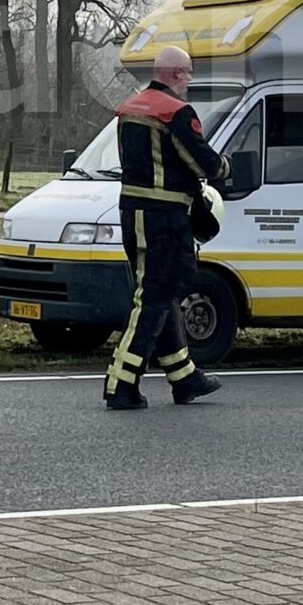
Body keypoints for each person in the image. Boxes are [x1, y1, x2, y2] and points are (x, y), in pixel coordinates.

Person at [103, 44, 228, 410]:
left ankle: (184, 377)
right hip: (165, 219)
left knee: (160, 295)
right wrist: (229, 168)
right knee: (152, 298)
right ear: (175, 74)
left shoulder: (129, 110)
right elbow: (202, 162)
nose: (189, 80)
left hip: (134, 213)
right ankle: (120, 382)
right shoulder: (176, 113)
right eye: (187, 73)